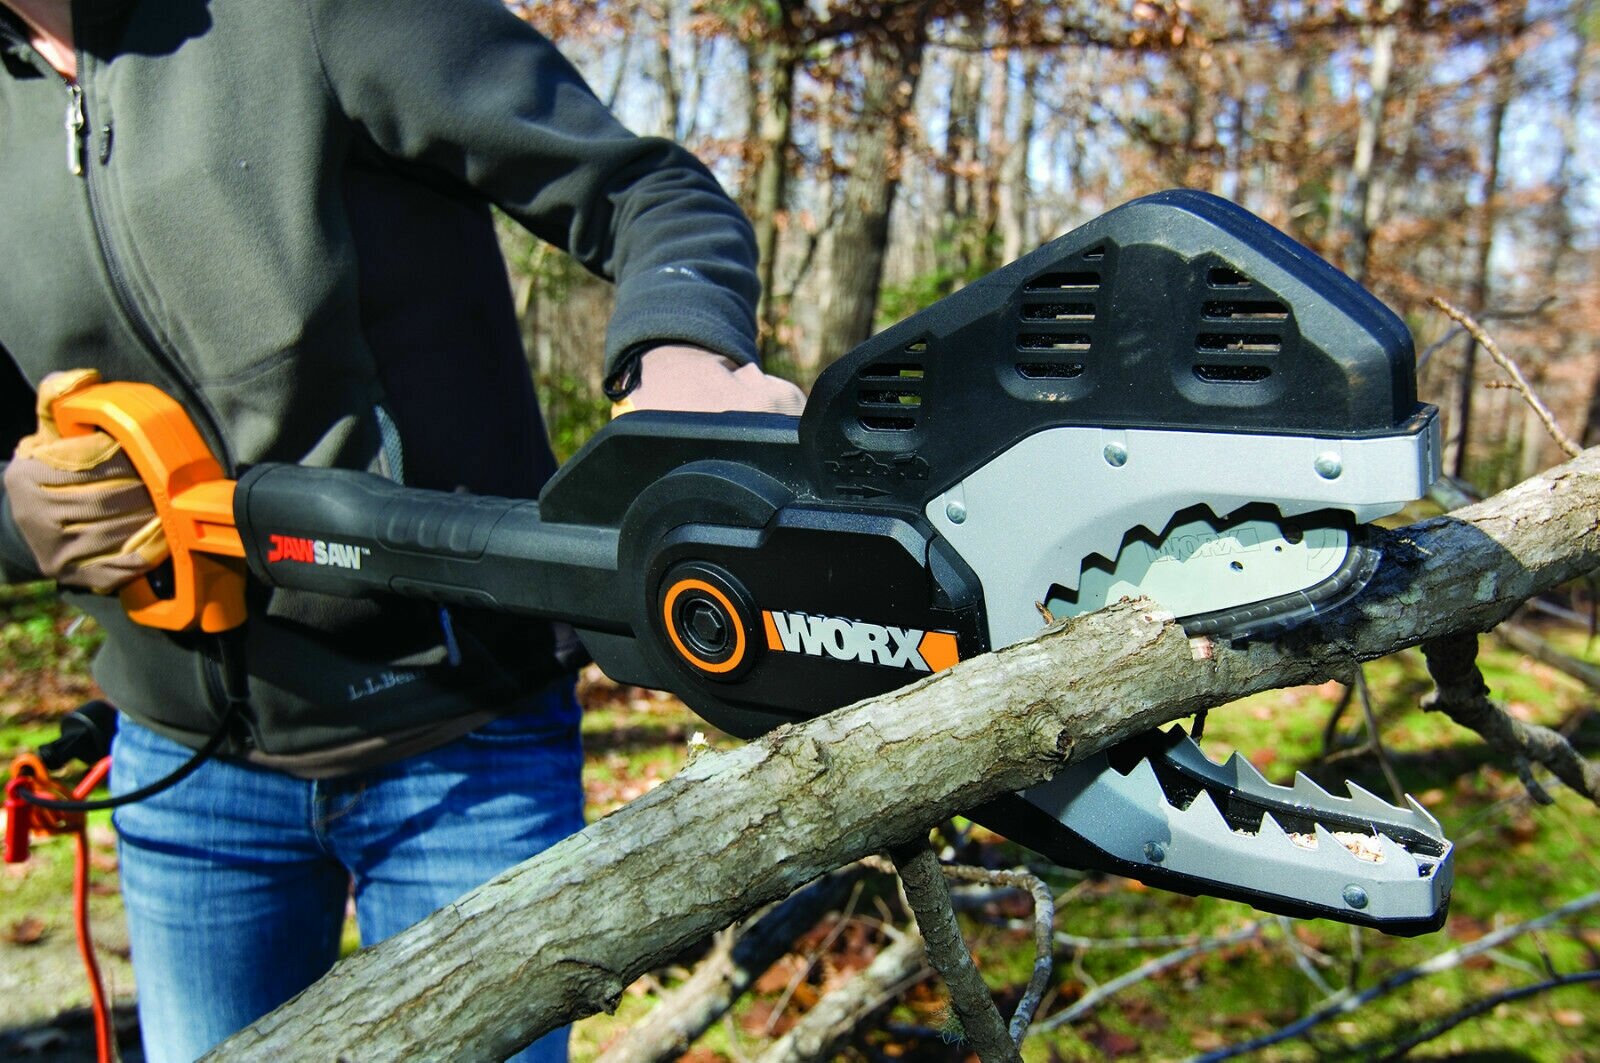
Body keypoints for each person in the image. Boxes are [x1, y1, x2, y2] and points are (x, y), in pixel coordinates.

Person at [0, 1, 803, 1060]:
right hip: (185, 769)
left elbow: (645, 190)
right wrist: (16, 518)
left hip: (462, 745)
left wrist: (682, 355)